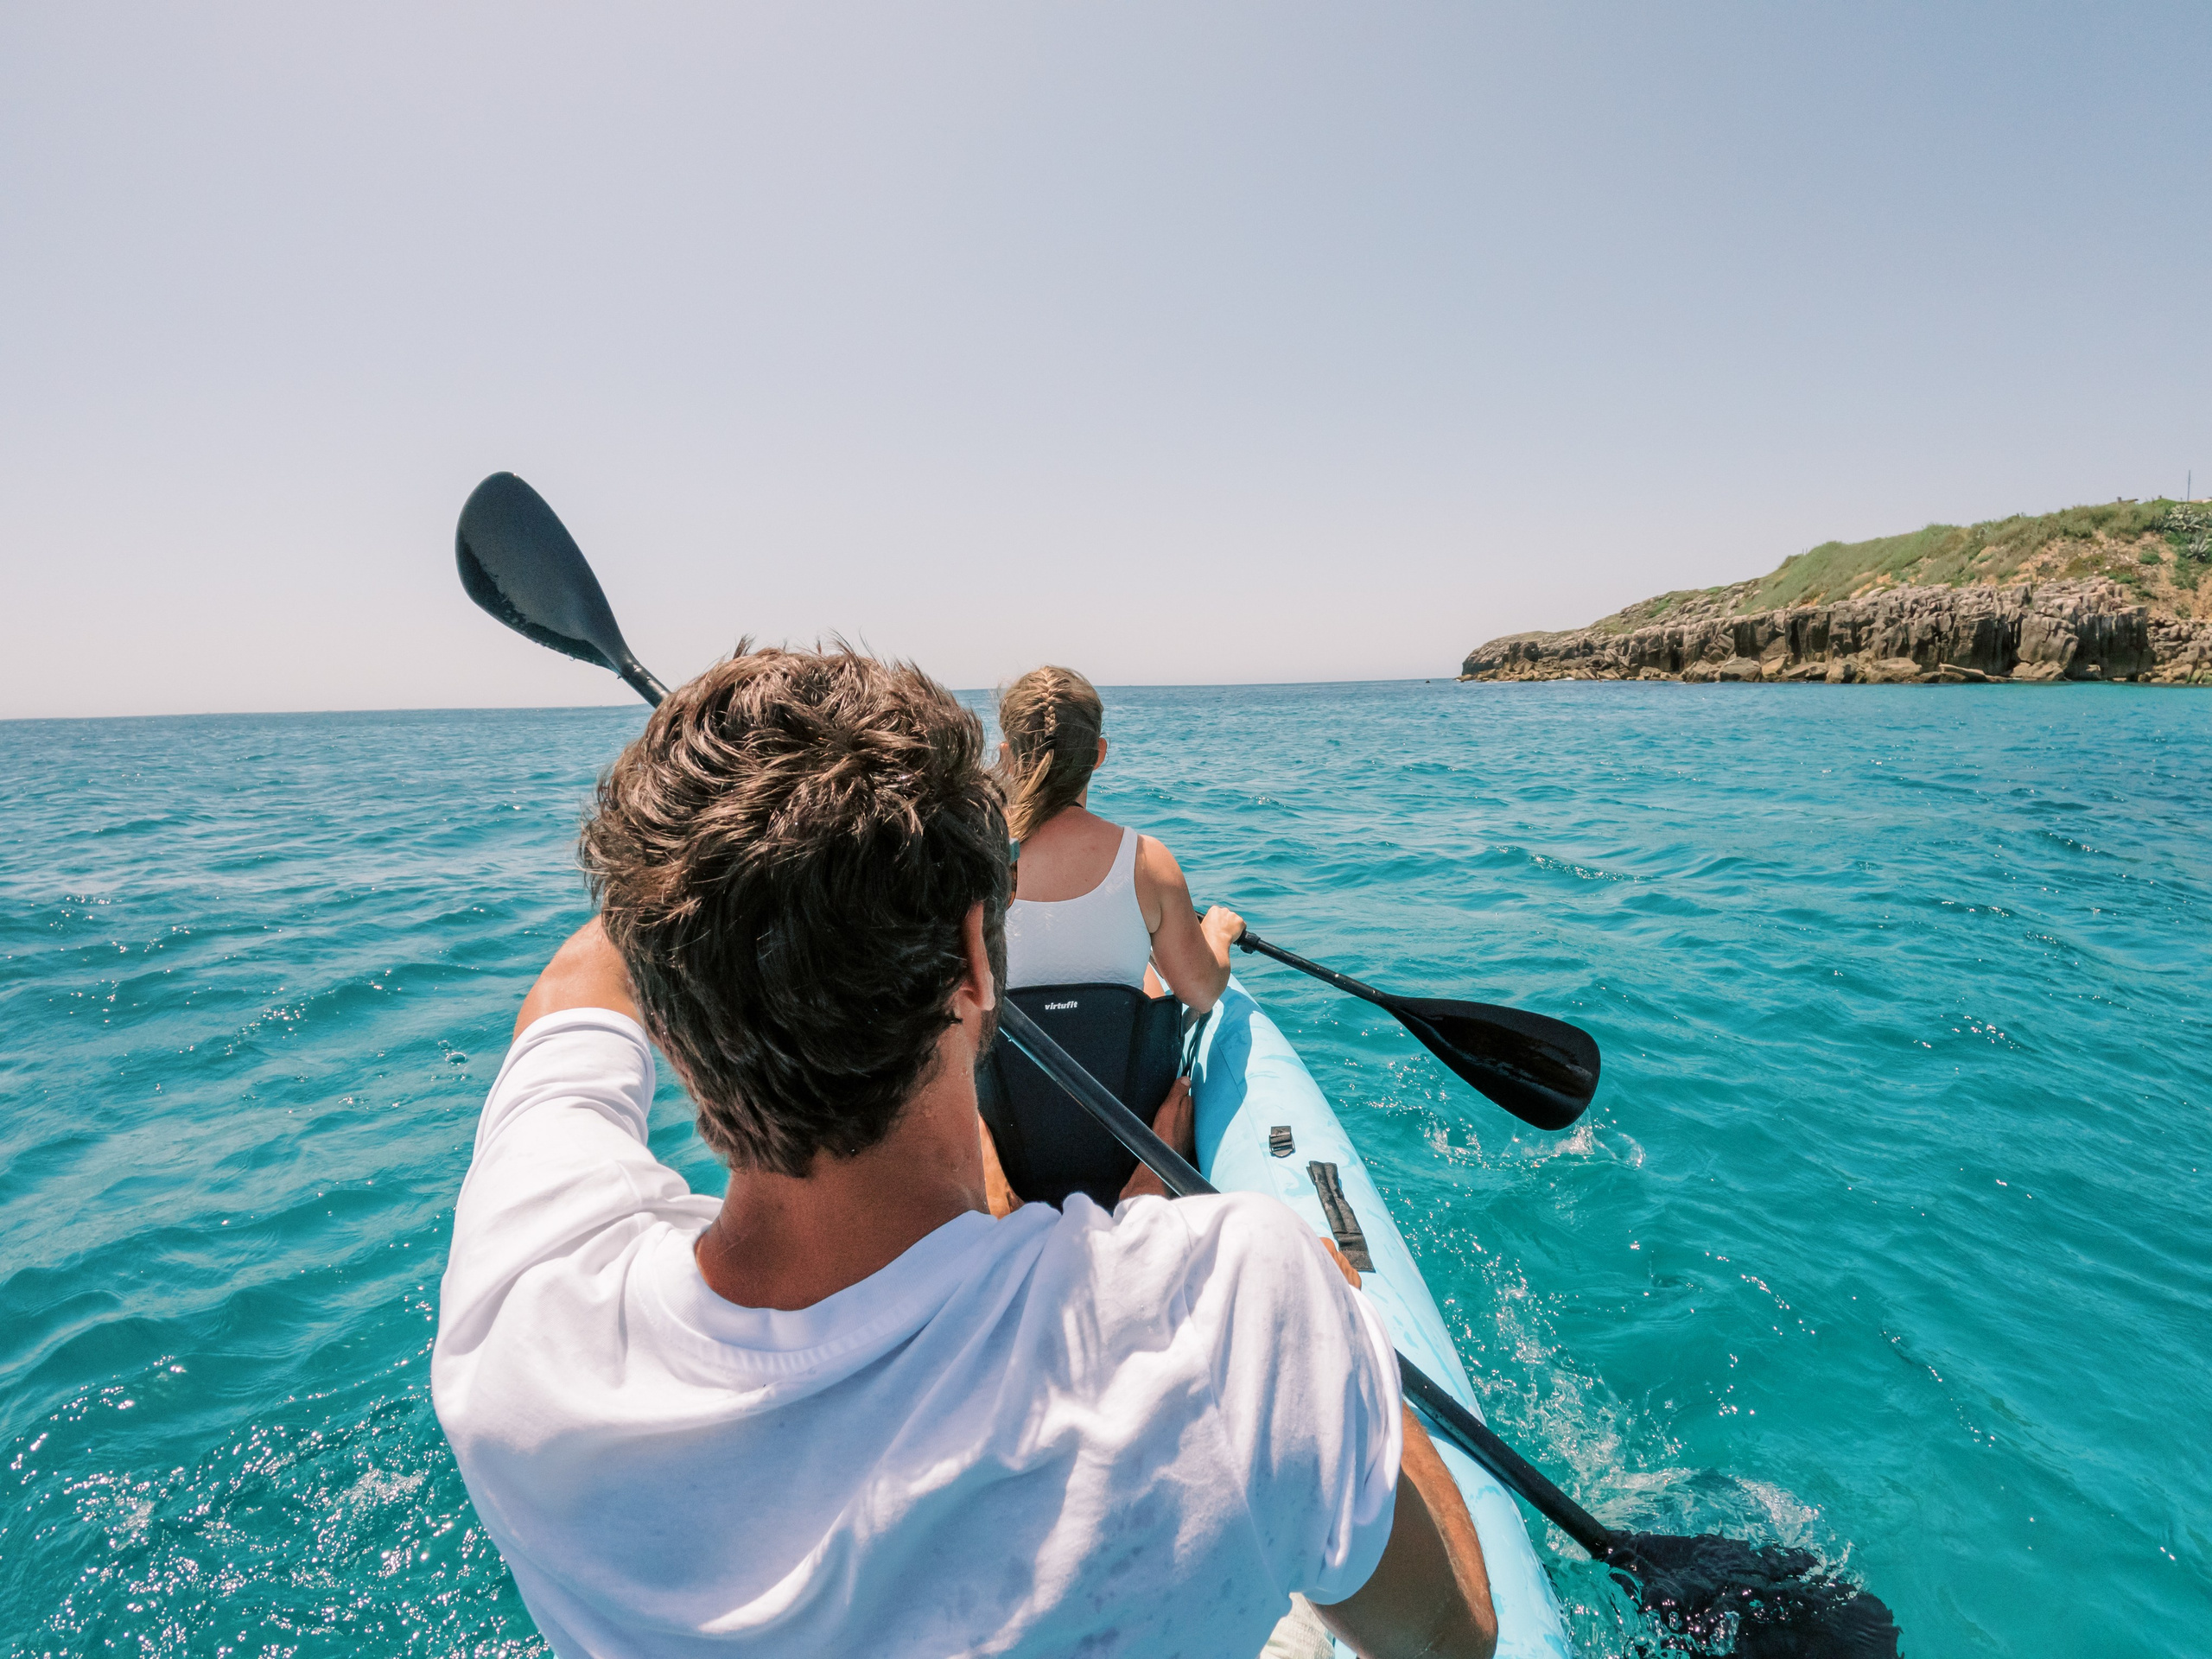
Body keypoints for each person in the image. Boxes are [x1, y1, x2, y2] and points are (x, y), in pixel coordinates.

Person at [431, 646, 1496, 1659]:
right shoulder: (1240, 1316)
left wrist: (717, 841)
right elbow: (1452, 1639)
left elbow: (573, 992)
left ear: (667, 1022)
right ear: (976, 964)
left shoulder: (519, 1330)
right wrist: (1337, 1339)